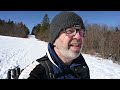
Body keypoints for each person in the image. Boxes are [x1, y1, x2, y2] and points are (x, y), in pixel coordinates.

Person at [18, 11, 90, 79]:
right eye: (70, 31)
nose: (78, 37)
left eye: (81, 32)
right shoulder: (36, 73)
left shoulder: (82, 68)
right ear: (54, 40)